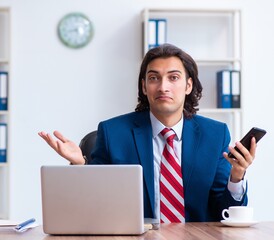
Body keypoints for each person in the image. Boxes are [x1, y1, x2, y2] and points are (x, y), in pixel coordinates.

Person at [39, 44, 256, 222]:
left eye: (173, 78)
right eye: (154, 78)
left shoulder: (215, 134)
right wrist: (80, 165)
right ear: (144, 86)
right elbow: (97, 202)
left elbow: (224, 212)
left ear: (188, 85)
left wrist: (236, 177)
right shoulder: (113, 132)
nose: (163, 87)